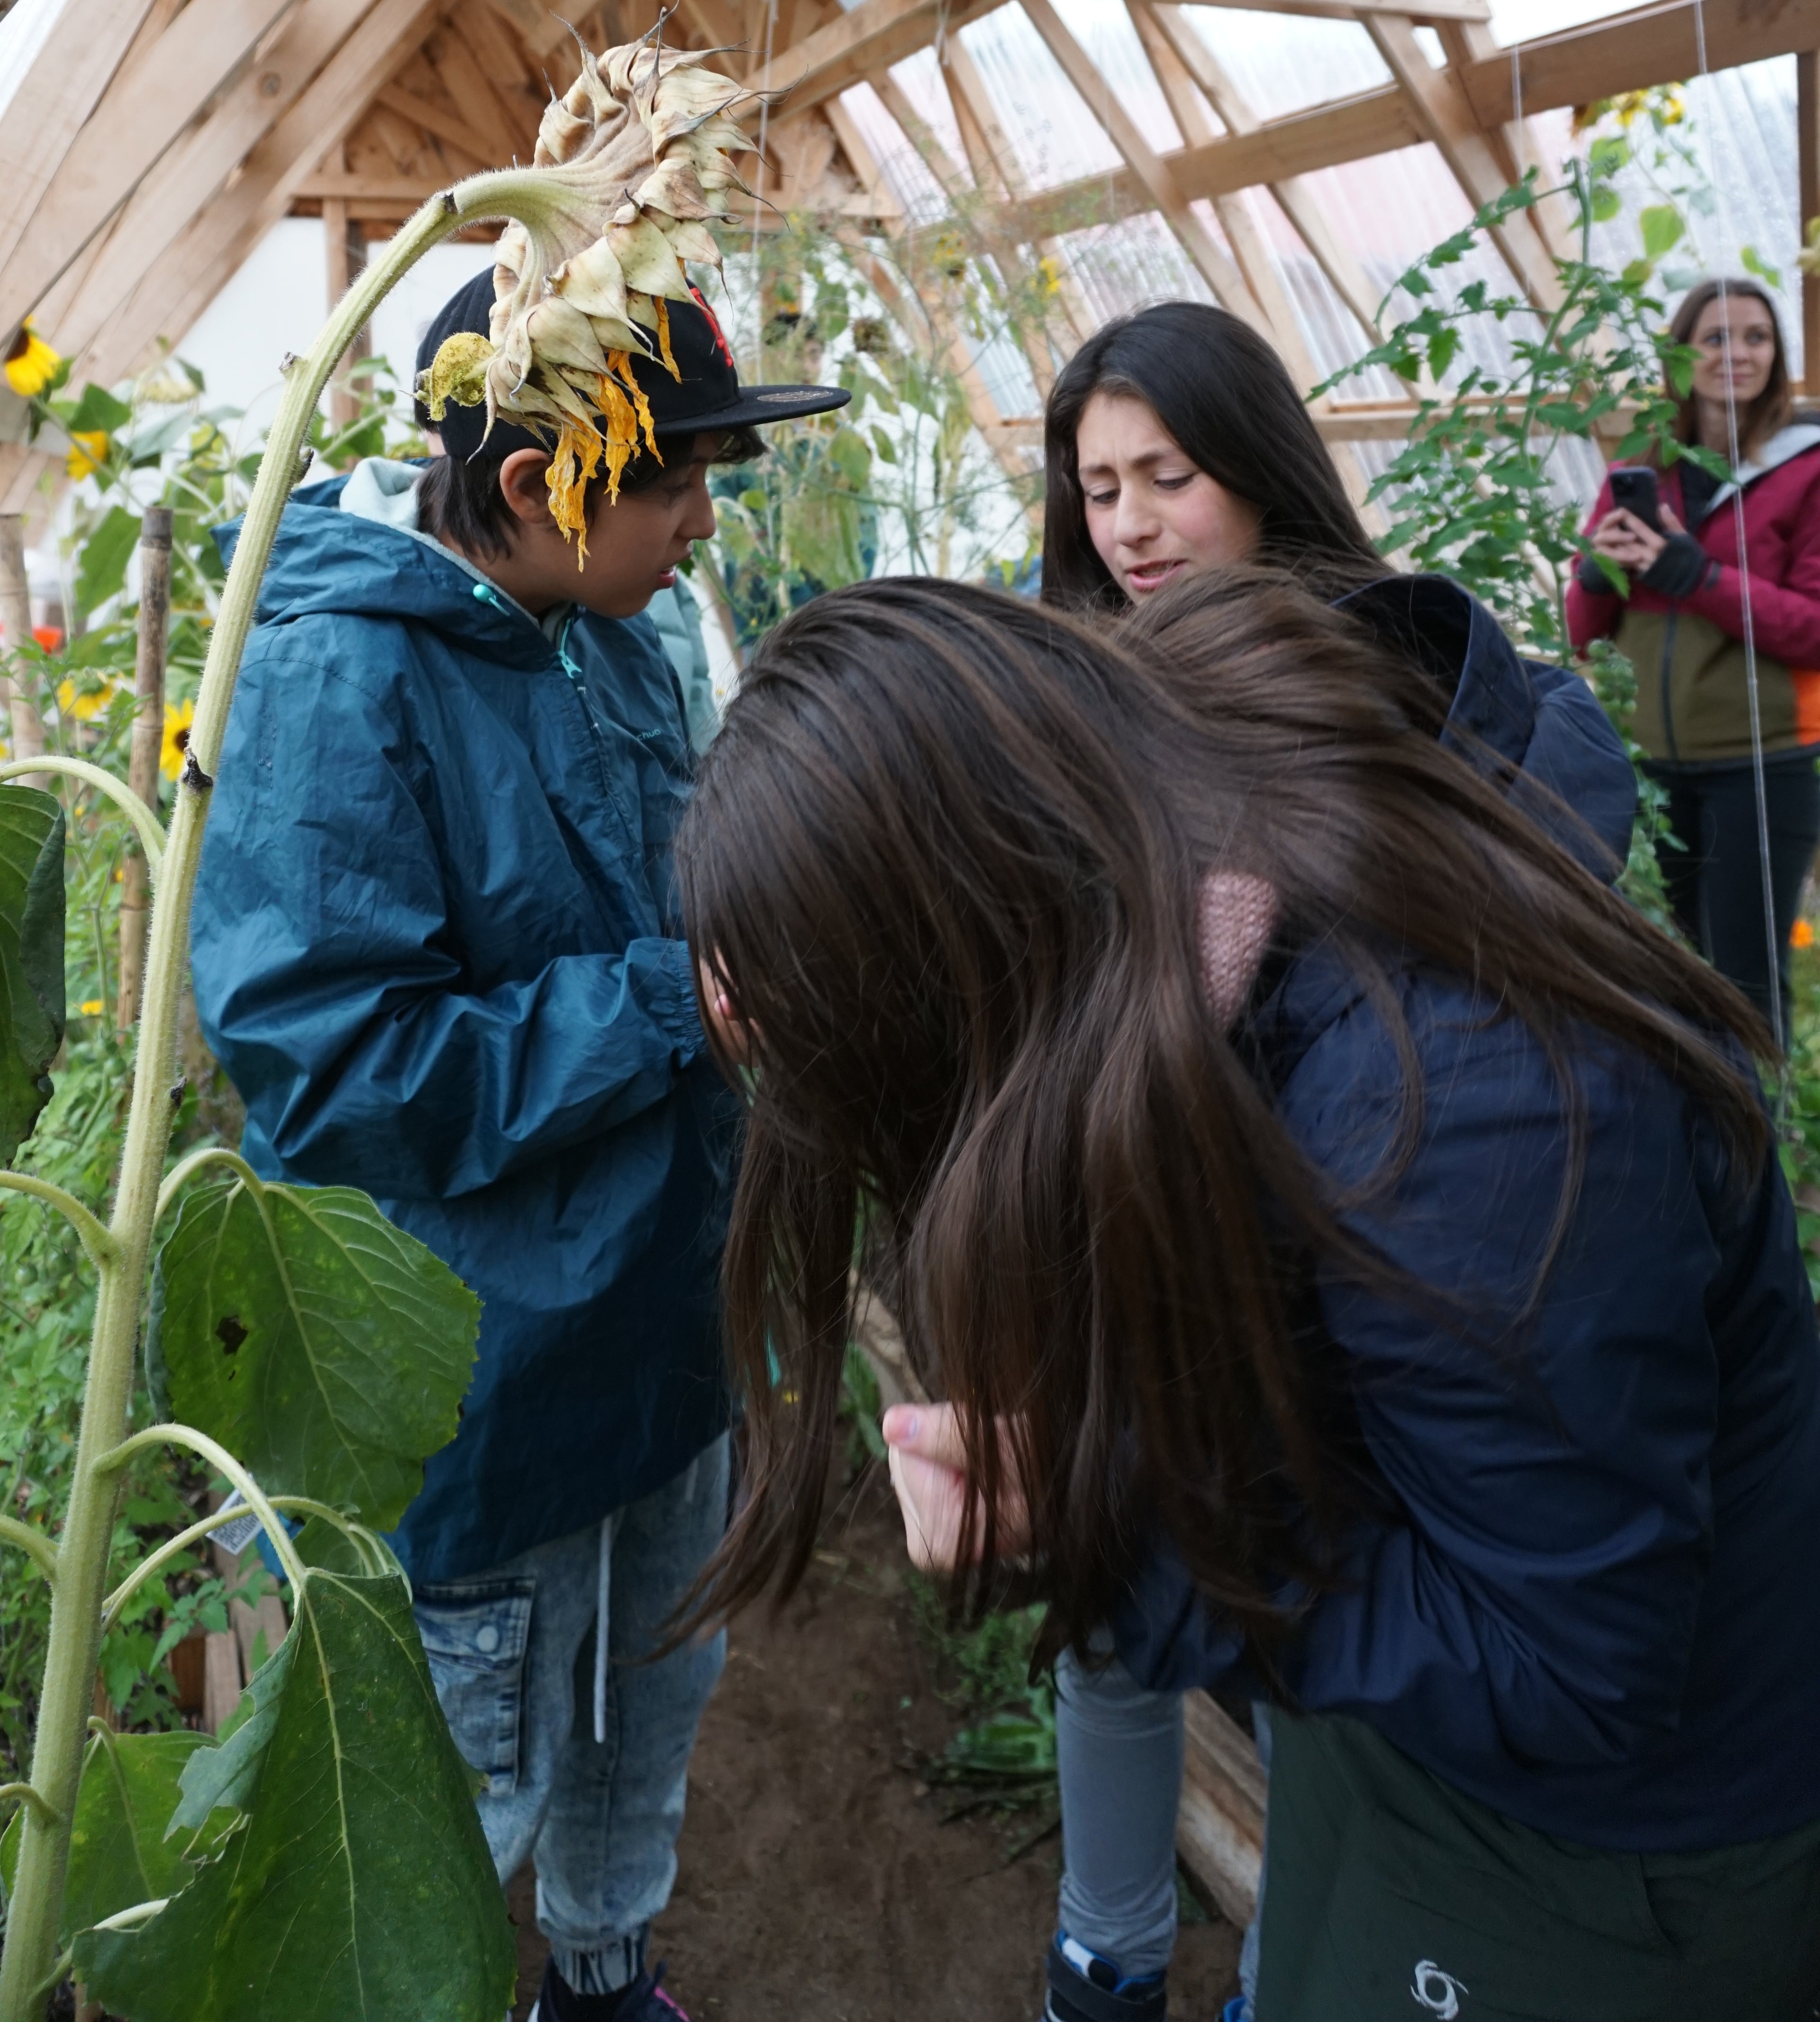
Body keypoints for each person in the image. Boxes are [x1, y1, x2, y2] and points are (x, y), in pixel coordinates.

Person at [681, 571, 1820, 2022]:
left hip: (1625, 1853)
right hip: (1425, 1709)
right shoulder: (1190, 815)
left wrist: (1130, 1533)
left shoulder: (1464, 1124)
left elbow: (1572, 1672)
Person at [191, 268, 847, 2022]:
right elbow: (337, 1066)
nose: (706, 521)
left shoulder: (616, 638)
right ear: (531, 494)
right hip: (488, 1379)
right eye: (678, 483)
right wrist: (676, 1008)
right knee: (466, 1771)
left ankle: (606, 1975)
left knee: (648, 1705)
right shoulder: (337, 683)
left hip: (655, 1332)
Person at [1035, 301, 1638, 2022]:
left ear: (1265, 471)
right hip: (1144, 1236)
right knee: (1115, 1605)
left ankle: (1292, 1959)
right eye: (1098, 488)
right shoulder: (1080, 701)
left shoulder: (1398, 691)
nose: (1134, 524)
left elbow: (1539, 861)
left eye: (1172, 474)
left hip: (1341, 1250)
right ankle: (1109, 1952)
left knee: (1305, 1624)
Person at [1567, 275, 1820, 1029]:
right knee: (1676, 972)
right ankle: (1705, 1133)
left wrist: (1696, 576)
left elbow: (1814, 626)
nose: (1736, 354)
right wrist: (1596, 568)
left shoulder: (1806, 469)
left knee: (1746, 983)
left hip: (1763, 762)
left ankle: (1761, 1138)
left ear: (1777, 357)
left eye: (1756, 338)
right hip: (1653, 766)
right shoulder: (1638, 472)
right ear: (1681, 354)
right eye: (1715, 338)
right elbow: (1583, 633)